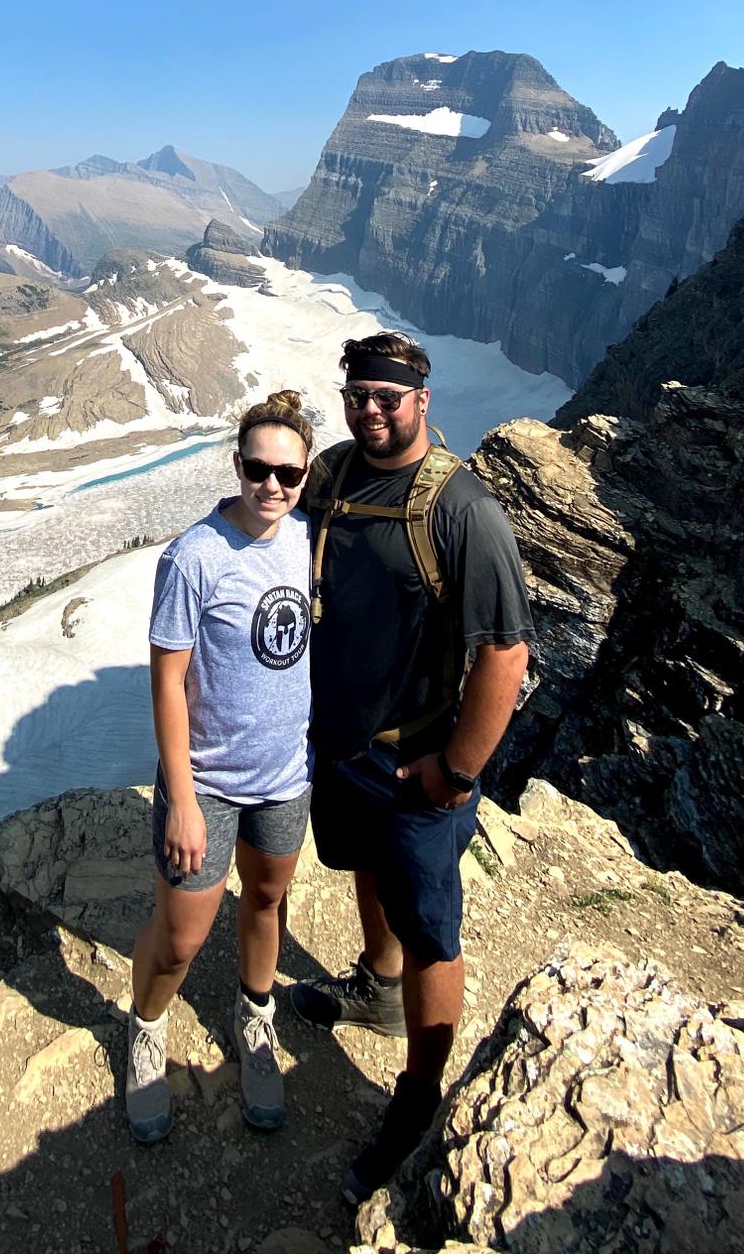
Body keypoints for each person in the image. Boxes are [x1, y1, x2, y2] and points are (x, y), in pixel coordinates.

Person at [289, 331, 533, 1202]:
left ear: (421, 400)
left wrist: (454, 774)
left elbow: (505, 656)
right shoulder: (334, 476)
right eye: (359, 395)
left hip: (413, 766)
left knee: (431, 924)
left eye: (388, 397)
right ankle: (379, 989)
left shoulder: (464, 511)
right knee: (364, 869)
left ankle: (418, 1098)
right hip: (344, 749)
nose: (371, 410)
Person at [126, 390, 315, 1143]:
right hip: (209, 783)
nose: (273, 485)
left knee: (265, 904)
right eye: (258, 469)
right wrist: (181, 800)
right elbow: (166, 679)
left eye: (289, 474)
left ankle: (255, 1014)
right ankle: (145, 1027)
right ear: (236, 466)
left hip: (285, 778)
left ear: (305, 477)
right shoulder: (194, 557)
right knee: (179, 937)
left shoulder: (307, 540)